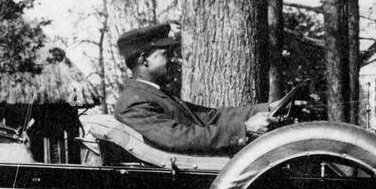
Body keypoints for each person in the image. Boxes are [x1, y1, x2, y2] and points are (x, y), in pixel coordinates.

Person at [112, 22, 273, 154]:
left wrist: (267, 108)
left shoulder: (154, 94)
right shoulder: (133, 102)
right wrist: (244, 129)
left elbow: (209, 116)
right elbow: (178, 137)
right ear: (144, 59)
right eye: (166, 54)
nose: (173, 59)